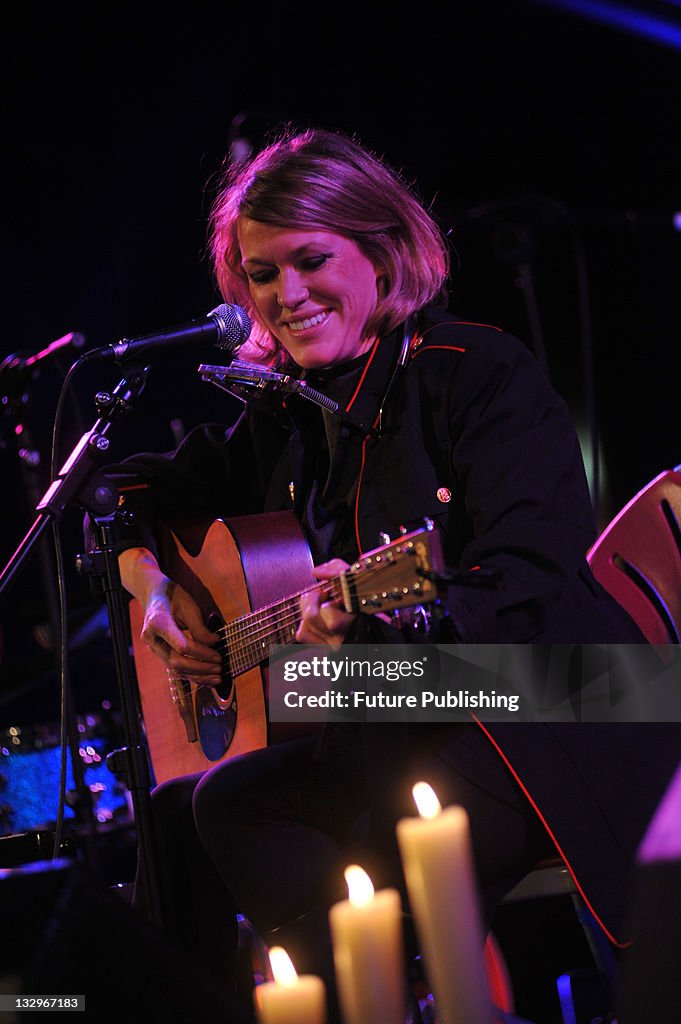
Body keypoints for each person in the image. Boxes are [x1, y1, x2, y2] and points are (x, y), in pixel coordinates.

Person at [106, 127, 680, 1019]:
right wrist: (149, 588)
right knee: (181, 815)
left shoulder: (475, 372)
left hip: (551, 709)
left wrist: (389, 631)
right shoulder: (286, 416)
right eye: (263, 275)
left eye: (310, 261)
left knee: (271, 817)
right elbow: (132, 493)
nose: (287, 296)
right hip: (391, 718)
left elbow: (527, 583)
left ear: (381, 253)